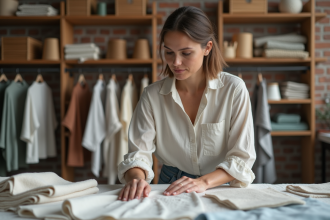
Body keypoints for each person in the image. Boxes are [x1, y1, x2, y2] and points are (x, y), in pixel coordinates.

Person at [117, 6, 256, 201]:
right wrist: (136, 179)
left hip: (219, 184)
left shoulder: (233, 89)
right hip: (170, 184)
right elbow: (139, 153)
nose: (176, 62)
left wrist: (204, 182)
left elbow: (242, 157)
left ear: (207, 48)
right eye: (169, 52)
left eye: (186, 53)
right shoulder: (152, 96)